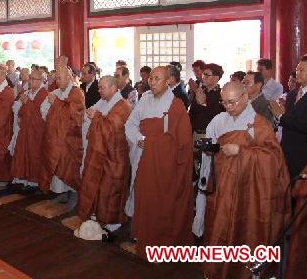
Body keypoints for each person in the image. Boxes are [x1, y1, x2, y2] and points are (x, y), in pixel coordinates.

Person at [194, 82, 289, 279]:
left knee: (244, 230)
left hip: (248, 190)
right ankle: (216, 269)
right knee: (218, 227)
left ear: (245, 97)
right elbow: (210, 145)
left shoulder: (259, 124)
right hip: (222, 186)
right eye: (224, 103)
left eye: (232, 102)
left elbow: (273, 158)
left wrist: (241, 151)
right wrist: (209, 148)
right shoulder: (219, 120)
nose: (228, 107)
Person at [122, 66, 194, 259]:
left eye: (157, 78)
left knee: (160, 197)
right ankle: (142, 233)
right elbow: (130, 124)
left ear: (168, 81)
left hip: (164, 162)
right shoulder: (144, 100)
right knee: (141, 193)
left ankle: (159, 238)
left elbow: (183, 140)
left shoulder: (176, 105)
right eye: (151, 78)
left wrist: (155, 144)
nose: (152, 82)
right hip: (142, 154)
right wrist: (139, 139)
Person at [78, 76, 131, 233]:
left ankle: (114, 221)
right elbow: (96, 118)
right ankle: (100, 214)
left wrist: (96, 117)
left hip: (115, 156)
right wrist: (90, 115)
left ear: (114, 88)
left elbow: (112, 128)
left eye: (102, 87)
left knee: (112, 189)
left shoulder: (123, 106)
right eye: (99, 87)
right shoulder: (103, 102)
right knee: (100, 186)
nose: (99, 90)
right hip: (100, 153)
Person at [39, 67, 85, 209]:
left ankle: (74, 194)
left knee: (70, 167)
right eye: (56, 78)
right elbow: (43, 110)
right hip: (55, 137)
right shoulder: (55, 92)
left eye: (60, 78)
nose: (57, 81)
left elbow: (76, 114)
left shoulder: (77, 92)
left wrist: (57, 104)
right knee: (58, 166)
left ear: (69, 77)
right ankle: (62, 192)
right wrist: (54, 104)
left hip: (70, 138)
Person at [9, 69, 49, 187]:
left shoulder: (45, 95)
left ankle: (35, 183)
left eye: (33, 79)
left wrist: (28, 103)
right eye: (30, 78)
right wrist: (21, 103)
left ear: (41, 80)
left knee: (34, 156)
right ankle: (23, 180)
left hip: (37, 132)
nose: (30, 81)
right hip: (24, 129)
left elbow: (43, 116)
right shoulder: (26, 93)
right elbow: (16, 110)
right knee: (22, 154)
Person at [270, 56, 307, 178]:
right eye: (297, 70)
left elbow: (303, 125)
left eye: (302, 70)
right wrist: (277, 116)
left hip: (303, 153)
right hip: (286, 151)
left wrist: (281, 115)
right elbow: (284, 120)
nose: (297, 73)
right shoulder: (292, 94)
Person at [188, 63, 225, 140]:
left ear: (216, 78)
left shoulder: (221, 94)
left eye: (207, 75)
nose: (203, 77)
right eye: (203, 75)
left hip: (209, 134)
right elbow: (192, 111)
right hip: (194, 130)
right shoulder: (202, 90)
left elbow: (215, 116)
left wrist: (203, 103)